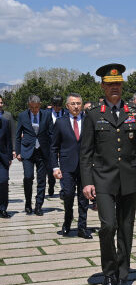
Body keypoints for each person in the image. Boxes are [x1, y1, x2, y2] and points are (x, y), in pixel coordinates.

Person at [80, 63, 136, 285]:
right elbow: (86, 152)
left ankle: (123, 273)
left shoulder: (134, 112)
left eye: (118, 84)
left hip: (129, 178)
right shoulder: (92, 114)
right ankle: (108, 273)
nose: (115, 88)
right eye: (110, 84)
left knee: (126, 228)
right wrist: (87, 181)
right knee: (108, 226)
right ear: (103, 86)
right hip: (102, 179)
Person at [51, 93, 91, 239]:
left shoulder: (88, 121)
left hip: (85, 166)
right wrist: (55, 167)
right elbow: (54, 147)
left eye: (79, 103)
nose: (76, 106)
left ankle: (82, 227)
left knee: (83, 197)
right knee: (67, 195)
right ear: (67, 106)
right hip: (67, 166)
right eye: (73, 104)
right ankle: (67, 221)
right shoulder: (60, 122)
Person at [16, 95, 53, 216]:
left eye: (36, 107)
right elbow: (17, 135)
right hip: (27, 150)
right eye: (32, 108)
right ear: (29, 106)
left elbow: (51, 133)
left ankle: (38, 205)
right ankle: (28, 203)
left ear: (40, 105)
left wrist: (53, 151)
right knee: (28, 177)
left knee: (42, 179)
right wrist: (18, 151)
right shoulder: (22, 116)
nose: (35, 110)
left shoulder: (47, 115)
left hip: (43, 151)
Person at [47, 96, 67, 197]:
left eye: (59, 106)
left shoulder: (67, 113)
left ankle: (64, 190)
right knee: (51, 169)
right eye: (55, 106)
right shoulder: (46, 113)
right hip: (51, 144)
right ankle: (51, 185)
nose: (57, 108)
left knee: (64, 167)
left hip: (64, 144)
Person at [0, 109, 12, 218]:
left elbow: (8, 140)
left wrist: (9, 156)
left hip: (2, 159)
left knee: (3, 182)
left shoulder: (4, 122)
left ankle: (3, 208)